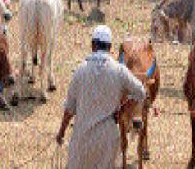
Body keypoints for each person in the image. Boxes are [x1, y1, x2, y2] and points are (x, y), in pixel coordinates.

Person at [56, 25, 146, 169]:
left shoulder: (80, 70)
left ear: (92, 45)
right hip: (108, 138)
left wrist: (61, 133)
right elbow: (140, 93)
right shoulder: (119, 71)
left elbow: (69, 110)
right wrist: (123, 109)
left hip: (82, 137)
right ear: (110, 47)